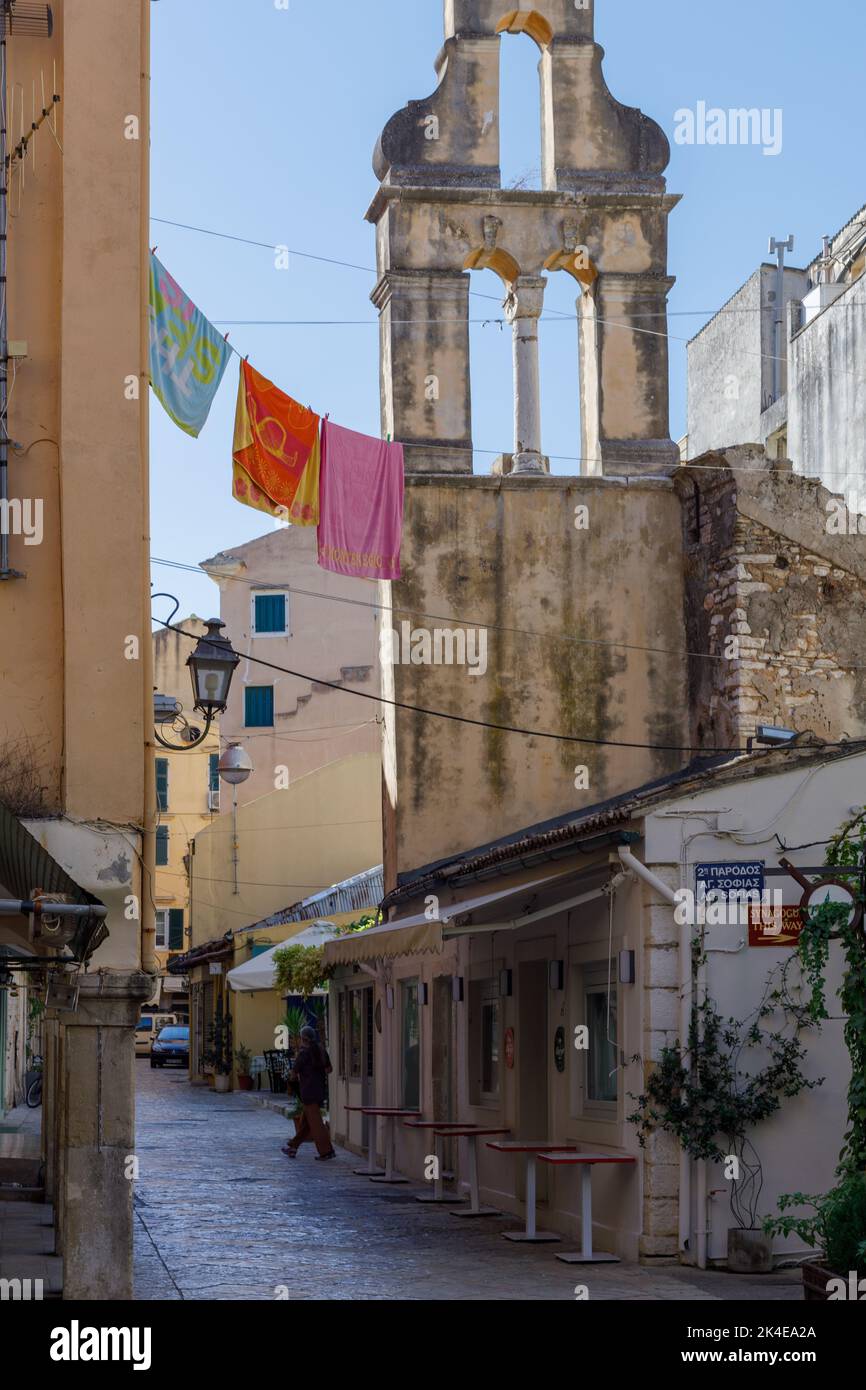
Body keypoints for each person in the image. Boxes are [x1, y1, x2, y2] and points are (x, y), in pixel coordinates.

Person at [283, 1025, 336, 1160]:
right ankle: (293, 1147)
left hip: (308, 1091)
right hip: (319, 1091)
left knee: (316, 1124)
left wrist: (297, 1078)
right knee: (307, 1123)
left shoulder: (304, 1053)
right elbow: (329, 1069)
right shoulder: (321, 1050)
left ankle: (326, 1151)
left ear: (304, 1038)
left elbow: (293, 1074)